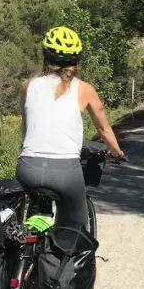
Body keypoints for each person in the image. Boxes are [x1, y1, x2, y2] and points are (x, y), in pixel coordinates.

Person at [17, 25, 125, 229]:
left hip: (27, 167)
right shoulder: (85, 89)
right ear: (76, 60)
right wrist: (117, 153)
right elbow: (104, 130)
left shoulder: (27, 86)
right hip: (65, 172)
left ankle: (26, 255)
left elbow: (26, 127)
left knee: (30, 227)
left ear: (45, 57)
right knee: (75, 231)